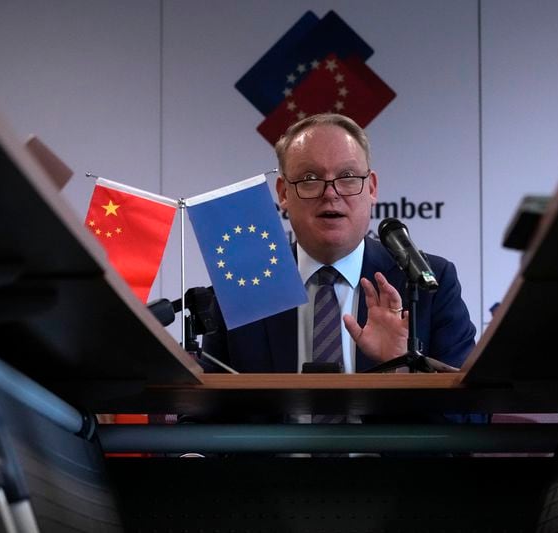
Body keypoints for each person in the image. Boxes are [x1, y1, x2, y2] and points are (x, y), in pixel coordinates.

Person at [201, 113, 476, 378]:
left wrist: (401, 370)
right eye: (310, 179)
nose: (331, 193)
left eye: (347, 176)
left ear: (371, 188)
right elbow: (204, 412)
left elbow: (469, 413)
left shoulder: (430, 283)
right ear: (284, 193)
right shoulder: (244, 284)